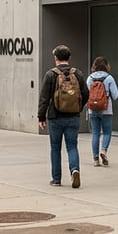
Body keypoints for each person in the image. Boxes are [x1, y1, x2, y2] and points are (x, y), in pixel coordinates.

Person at [37, 45, 89, 188]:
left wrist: (41, 117)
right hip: (73, 116)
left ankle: (56, 179)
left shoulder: (51, 74)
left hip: (55, 117)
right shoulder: (77, 73)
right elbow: (86, 93)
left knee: (55, 148)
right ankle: (74, 169)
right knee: (72, 146)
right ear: (69, 58)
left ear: (55, 58)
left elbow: (44, 98)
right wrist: (78, 107)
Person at [86, 56, 118, 167]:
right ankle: (103, 151)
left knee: (95, 133)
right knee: (106, 132)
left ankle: (96, 159)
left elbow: (86, 94)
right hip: (106, 110)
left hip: (92, 109)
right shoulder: (109, 78)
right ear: (106, 66)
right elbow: (115, 95)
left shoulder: (90, 78)